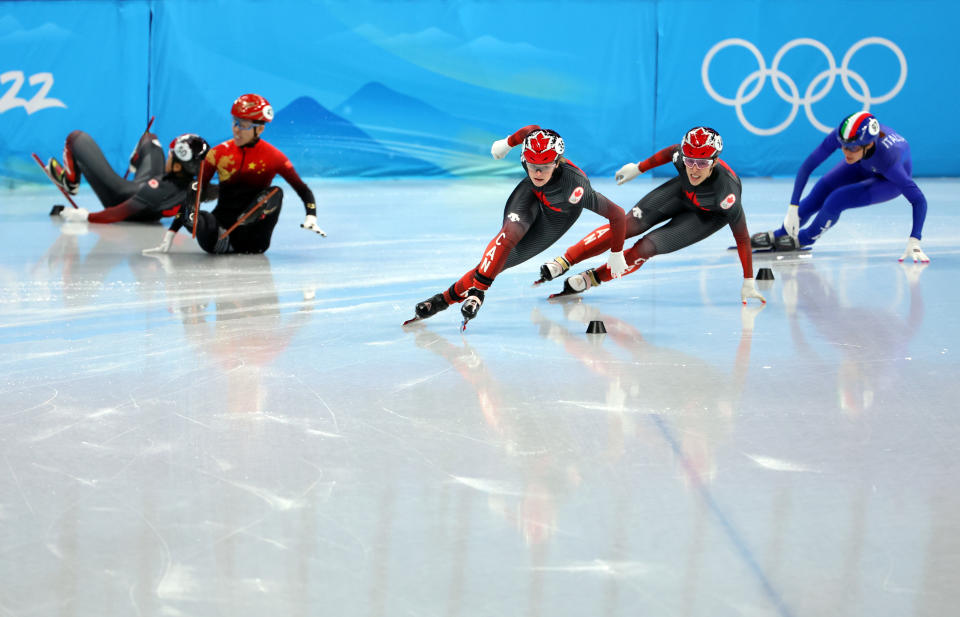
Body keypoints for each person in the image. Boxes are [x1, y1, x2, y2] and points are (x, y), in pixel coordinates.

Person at [410, 125, 629, 327]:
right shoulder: (534, 153)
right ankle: (470, 294)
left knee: (501, 262)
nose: (537, 173)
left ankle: (446, 298)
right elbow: (531, 130)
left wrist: (617, 252)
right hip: (532, 195)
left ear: (556, 162)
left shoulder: (575, 188)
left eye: (544, 167)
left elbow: (617, 214)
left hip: (558, 216)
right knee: (508, 236)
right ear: (525, 160)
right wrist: (506, 143)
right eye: (532, 166)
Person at [538, 126, 765, 304]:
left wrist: (748, 279)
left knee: (646, 247)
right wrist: (639, 168)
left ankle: (592, 279)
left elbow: (743, 238)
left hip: (707, 216)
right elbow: (670, 152)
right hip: (682, 193)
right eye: (690, 161)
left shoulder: (728, 193)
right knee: (627, 225)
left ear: (714, 162)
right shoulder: (682, 155)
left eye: (702, 163)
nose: (694, 169)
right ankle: (565, 260)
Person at [144, 93, 325, 255]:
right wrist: (170, 235)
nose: (236, 129)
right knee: (195, 204)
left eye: (243, 125)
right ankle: (226, 234)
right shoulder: (218, 153)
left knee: (275, 192)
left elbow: (303, 189)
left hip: (255, 241)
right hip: (218, 236)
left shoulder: (274, 156)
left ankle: (246, 222)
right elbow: (195, 194)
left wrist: (311, 216)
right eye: (234, 122)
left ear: (259, 129)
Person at [751, 111, 930, 262]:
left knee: (837, 200)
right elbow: (807, 167)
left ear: (869, 144)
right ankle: (782, 233)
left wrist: (915, 238)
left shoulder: (890, 161)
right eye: (843, 147)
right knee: (821, 189)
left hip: (889, 182)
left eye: (851, 149)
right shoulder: (846, 135)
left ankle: (803, 239)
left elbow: (919, 200)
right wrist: (793, 206)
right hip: (863, 164)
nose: (845, 152)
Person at [44, 129, 209, 224]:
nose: (169, 156)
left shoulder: (157, 190)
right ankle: (135, 159)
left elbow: (117, 214)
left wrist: (85, 216)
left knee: (76, 138)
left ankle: (71, 182)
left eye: (171, 155)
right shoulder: (193, 186)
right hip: (146, 191)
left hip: (120, 197)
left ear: (178, 166)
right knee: (150, 138)